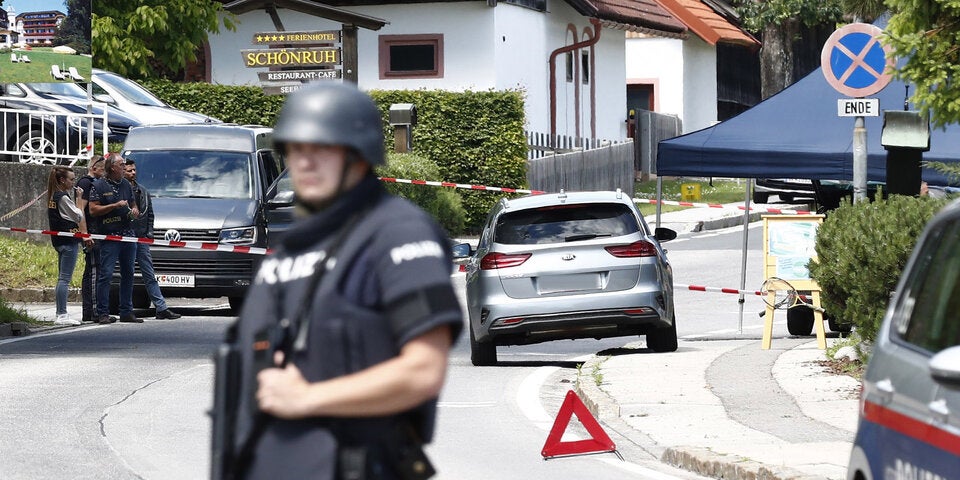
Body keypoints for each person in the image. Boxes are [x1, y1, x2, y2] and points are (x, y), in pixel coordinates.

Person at [227, 83, 462, 479]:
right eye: (296, 150)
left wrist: (308, 399)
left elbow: (423, 370)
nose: (305, 162)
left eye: (321, 148)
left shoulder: (397, 233)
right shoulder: (291, 252)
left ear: (358, 154)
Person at [124, 159, 181, 320]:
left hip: (141, 238)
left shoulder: (143, 191)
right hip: (125, 237)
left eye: (134, 170)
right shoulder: (120, 190)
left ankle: (161, 308)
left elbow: (150, 215)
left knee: (149, 273)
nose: (133, 173)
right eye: (129, 170)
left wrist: (149, 234)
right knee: (126, 274)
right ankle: (126, 309)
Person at [88, 153, 141, 324]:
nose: (125, 167)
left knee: (129, 273)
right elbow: (93, 210)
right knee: (106, 274)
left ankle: (126, 310)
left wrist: (135, 210)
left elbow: (133, 204)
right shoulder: (99, 185)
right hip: (110, 235)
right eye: (122, 164)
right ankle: (103, 312)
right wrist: (113, 206)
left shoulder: (126, 184)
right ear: (113, 167)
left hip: (128, 234)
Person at [46, 167, 94, 326]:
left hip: (60, 241)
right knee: (64, 279)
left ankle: (61, 312)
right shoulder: (63, 198)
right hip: (68, 242)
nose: (74, 182)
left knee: (62, 278)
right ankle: (62, 314)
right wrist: (80, 199)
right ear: (62, 180)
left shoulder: (54, 196)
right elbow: (78, 215)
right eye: (72, 179)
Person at [76, 155, 106, 323]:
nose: (104, 173)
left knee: (91, 271)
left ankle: (88, 311)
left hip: (95, 232)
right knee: (95, 271)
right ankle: (94, 310)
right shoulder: (86, 184)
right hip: (91, 233)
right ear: (94, 168)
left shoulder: (90, 183)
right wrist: (85, 233)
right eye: (102, 169)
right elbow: (80, 210)